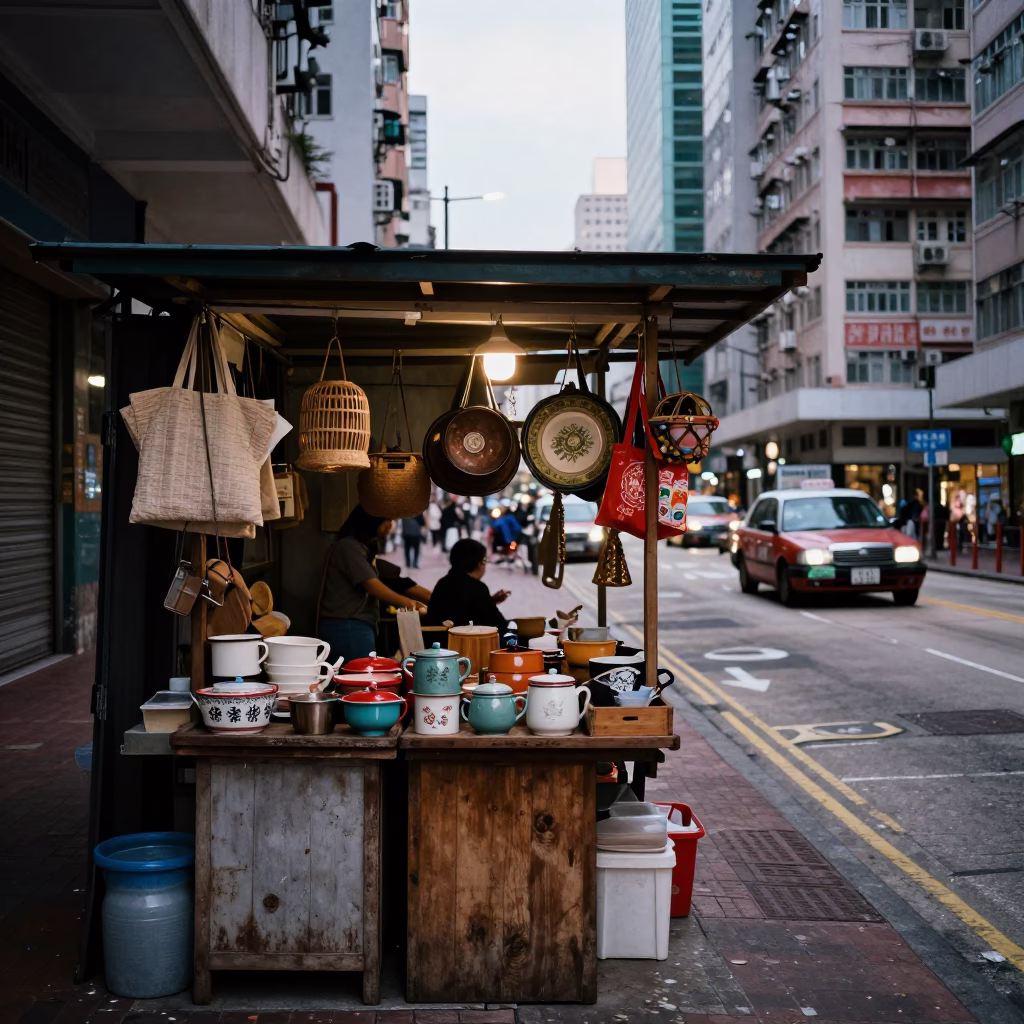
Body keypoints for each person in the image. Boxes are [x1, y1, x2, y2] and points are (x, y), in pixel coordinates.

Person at [318, 505, 427, 665]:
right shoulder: (348, 547)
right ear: (370, 522)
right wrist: (407, 603)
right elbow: (371, 584)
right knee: (359, 680)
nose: (390, 525)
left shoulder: (362, 549)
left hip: (355, 625)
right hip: (347, 627)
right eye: (386, 520)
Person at [424, 538, 510, 631]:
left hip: (437, 641)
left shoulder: (442, 583)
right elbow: (499, 624)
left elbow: (463, 608)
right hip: (465, 642)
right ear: (479, 563)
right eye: (485, 560)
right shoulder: (478, 588)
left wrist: (491, 601)